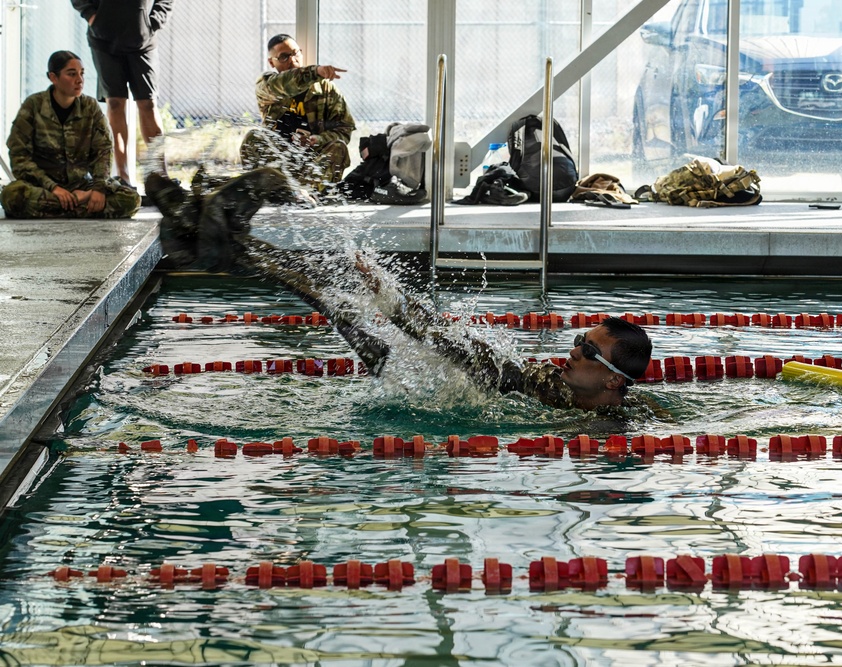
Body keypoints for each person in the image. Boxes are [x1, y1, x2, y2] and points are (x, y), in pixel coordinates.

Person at [144, 169, 654, 413]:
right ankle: (227, 243)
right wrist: (389, 298)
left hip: (424, 381)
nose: (572, 350)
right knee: (341, 293)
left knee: (333, 301)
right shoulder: (558, 388)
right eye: (579, 339)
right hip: (429, 374)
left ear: (613, 382)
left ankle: (226, 246)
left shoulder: (595, 426)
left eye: (587, 350)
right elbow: (462, 349)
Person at [0, 51, 141, 219]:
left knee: (130, 199)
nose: (80, 80)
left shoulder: (90, 107)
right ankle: (81, 206)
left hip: (80, 186)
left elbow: (103, 152)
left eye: (81, 73)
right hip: (43, 188)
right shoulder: (33, 106)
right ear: (53, 77)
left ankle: (57, 208)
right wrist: (54, 188)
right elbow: (19, 157)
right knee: (12, 196)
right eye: (71, 74)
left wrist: (97, 189)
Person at [71, 0, 172, 189]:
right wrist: (91, 15)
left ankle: (161, 179)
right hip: (104, 39)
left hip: (142, 40)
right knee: (115, 104)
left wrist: (155, 20)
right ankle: (123, 178)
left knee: (147, 104)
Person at [240, 34, 356, 197]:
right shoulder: (267, 85)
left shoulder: (325, 89)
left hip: (312, 166)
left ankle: (305, 193)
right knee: (253, 137)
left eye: (296, 53)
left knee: (339, 147)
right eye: (284, 57)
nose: (292, 60)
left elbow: (344, 129)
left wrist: (317, 140)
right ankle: (276, 190)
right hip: (279, 163)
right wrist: (315, 71)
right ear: (272, 62)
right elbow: (287, 82)